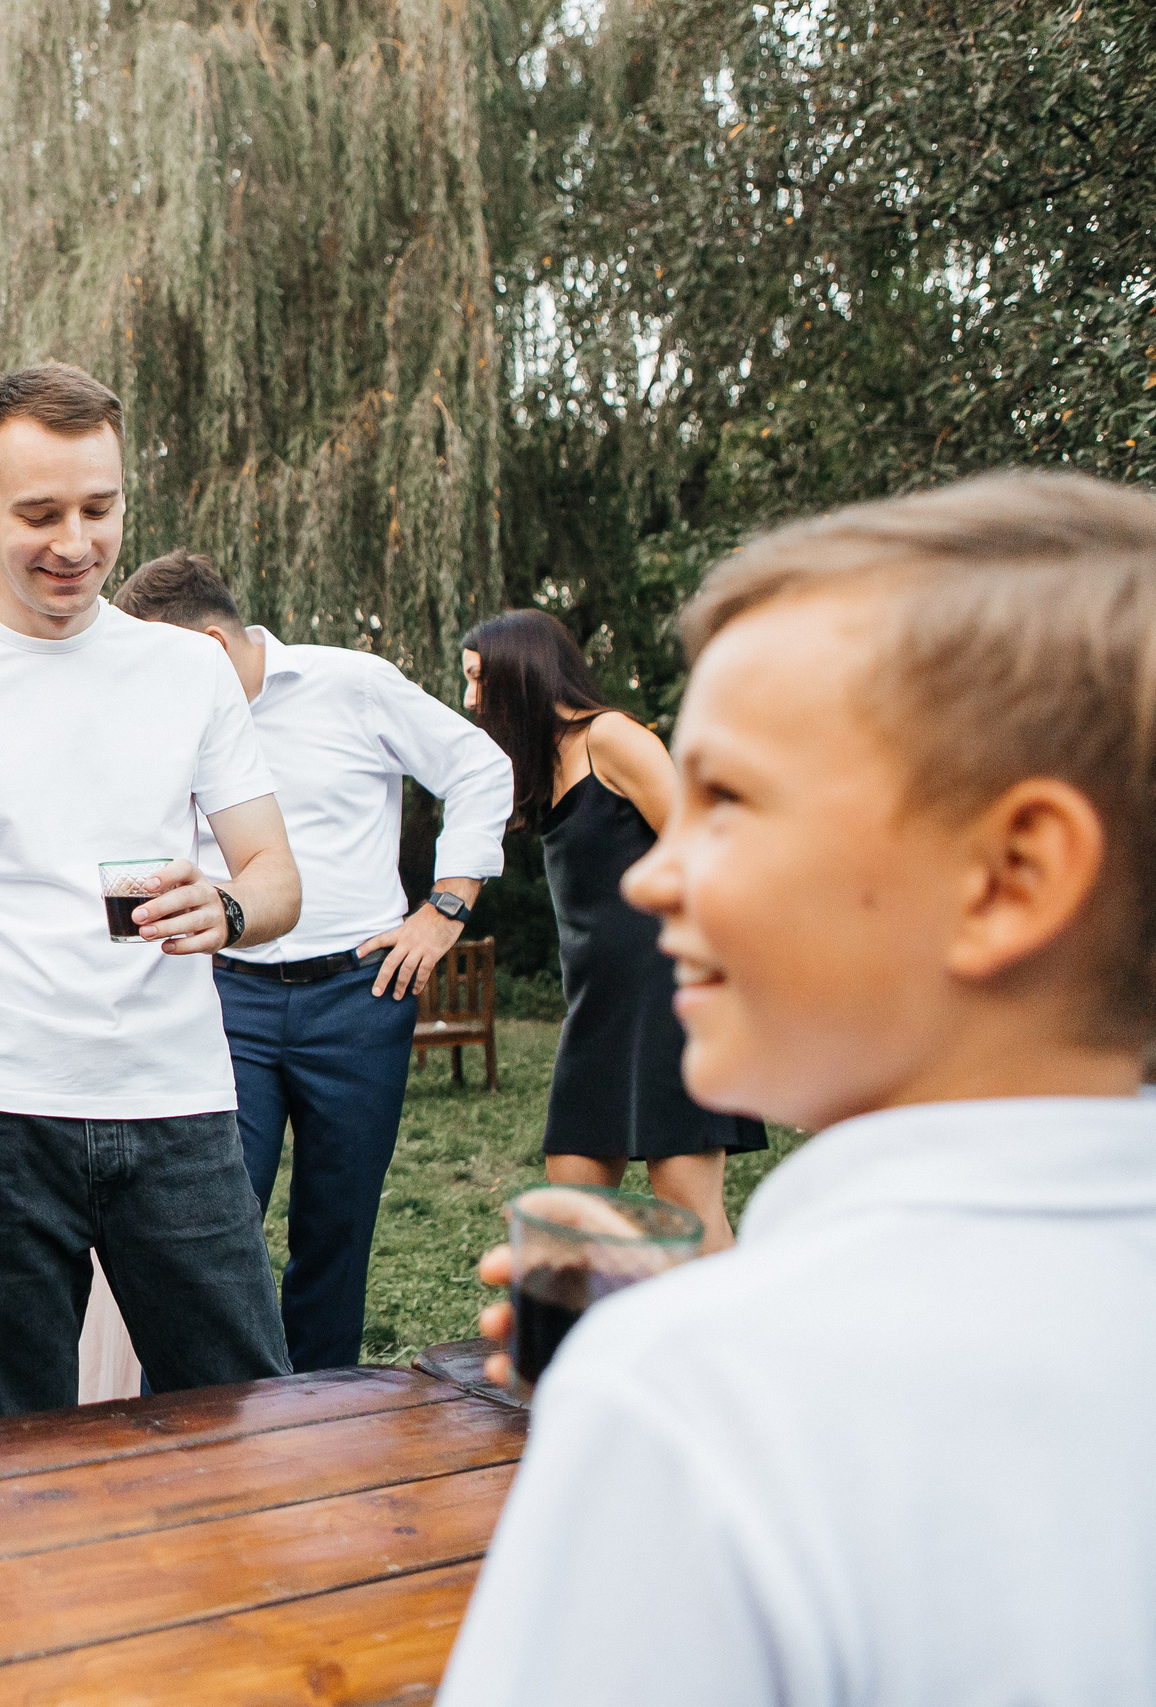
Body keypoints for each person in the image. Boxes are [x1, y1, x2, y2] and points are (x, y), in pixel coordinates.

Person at [439, 472, 1156, 1704]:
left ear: (1012, 877)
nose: (663, 882)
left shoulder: (690, 1405)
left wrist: (643, 1391)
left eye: (732, 805)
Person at [0, 362, 301, 1420]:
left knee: (240, 1422)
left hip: (176, 1110)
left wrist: (224, 908)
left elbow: (274, 877)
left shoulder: (187, 676)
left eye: (100, 508)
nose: (75, 543)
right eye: (39, 513)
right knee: (15, 1454)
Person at [114, 549, 515, 1370]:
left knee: (337, 1229)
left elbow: (479, 765)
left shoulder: (354, 685)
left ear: (212, 650)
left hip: (360, 996)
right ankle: (192, 1431)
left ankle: (322, 1431)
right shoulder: (161, 723)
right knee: (207, 1223)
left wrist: (443, 911)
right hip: (227, 1001)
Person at [461, 610, 764, 1251]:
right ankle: (599, 1341)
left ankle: (730, 1345)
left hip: (666, 994)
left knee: (686, 1207)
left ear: (522, 672)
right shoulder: (543, 763)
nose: (470, 700)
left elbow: (702, 846)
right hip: (596, 1008)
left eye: (477, 680)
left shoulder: (612, 738)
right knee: (568, 1208)